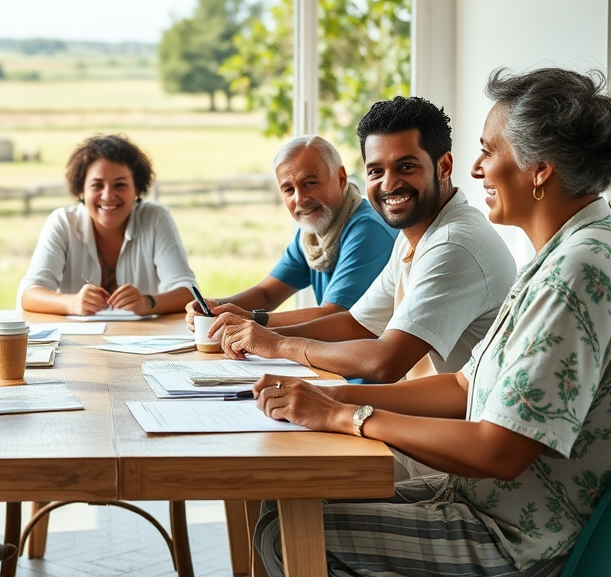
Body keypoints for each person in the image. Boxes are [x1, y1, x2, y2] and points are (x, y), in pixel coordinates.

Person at [251, 66, 611, 577]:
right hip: (479, 497)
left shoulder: (575, 272)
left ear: (539, 169)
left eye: (490, 150)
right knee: (284, 505)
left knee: (289, 530)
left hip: (515, 538)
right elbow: (466, 385)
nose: (478, 168)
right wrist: (338, 396)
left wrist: (342, 416)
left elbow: (500, 451)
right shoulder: (559, 255)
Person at [217, 97, 516, 385]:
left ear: (444, 167)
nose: (389, 184)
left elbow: (384, 361)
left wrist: (282, 346)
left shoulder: (453, 244)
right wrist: (266, 333)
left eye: (406, 167)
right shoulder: (415, 234)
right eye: (376, 171)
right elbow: (355, 324)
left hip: (449, 427)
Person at [184, 135, 395, 330]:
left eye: (310, 183)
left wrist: (251, 319)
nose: (300, 199)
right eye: (288, 189)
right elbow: (266, 294)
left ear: (340, 178)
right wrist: (215, 307)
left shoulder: (368, 229)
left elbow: (334, 314)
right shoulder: (311, 235)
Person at [18, 134, 196, 315]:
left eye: (120, 185)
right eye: (97, 185)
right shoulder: (63, 222)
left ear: (137, 188)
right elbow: (29, 294)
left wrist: (147, 302)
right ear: (81, 190)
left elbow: (189, 292)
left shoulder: (156, 218)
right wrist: (71, 303)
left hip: (140, 340)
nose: (108, 196)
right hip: (75, 341)